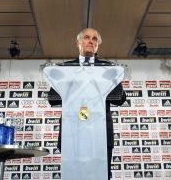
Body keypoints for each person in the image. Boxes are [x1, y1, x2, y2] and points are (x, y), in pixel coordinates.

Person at [47, 28, 126, 179]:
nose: (91, 41)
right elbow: (53, 97)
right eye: (86, 37)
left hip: (100, 133)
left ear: (98, 45)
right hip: (72, 132)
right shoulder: (64, 68)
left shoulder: (109, 68)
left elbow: (120, 97)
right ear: (78, 43)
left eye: (95, 39)